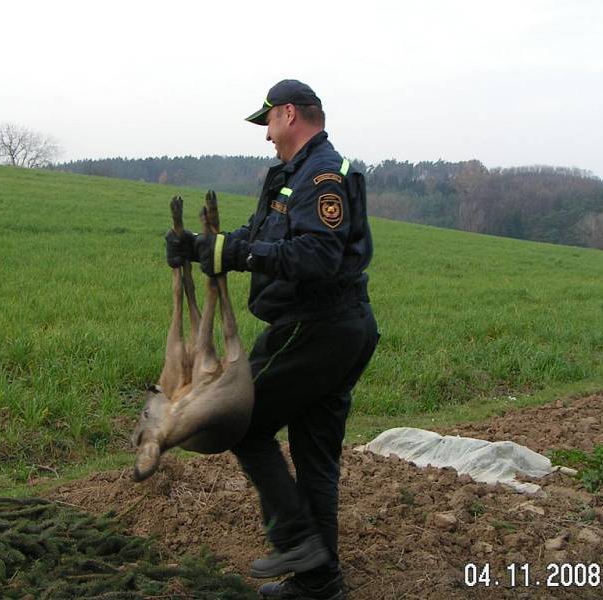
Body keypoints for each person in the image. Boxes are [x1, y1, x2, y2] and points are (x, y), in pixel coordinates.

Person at [166, 79, 378, 600]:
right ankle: (318, 583)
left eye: (268, 124)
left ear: (288, 114)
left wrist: (236, 257)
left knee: (234, 419)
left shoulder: (323, 175)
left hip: (316, 327)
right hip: (337, 329)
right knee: (315, 459)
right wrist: (201, 247)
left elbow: (319, 256)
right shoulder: (292, 175)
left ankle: (296, 541)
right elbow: (260, 236)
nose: (266, 137)